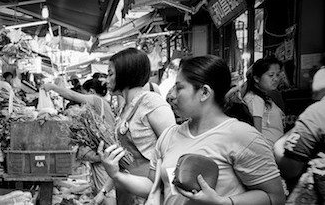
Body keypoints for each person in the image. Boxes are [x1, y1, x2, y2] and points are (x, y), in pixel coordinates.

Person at [100, 55, 285, 205]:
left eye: (179, 88)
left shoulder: (243, 136)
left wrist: (223, 202)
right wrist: (115, 173)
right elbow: (153, 185)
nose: (171, 95)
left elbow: (274, 197)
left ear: (204, 92)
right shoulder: (168, 136)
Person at [274, 41, 325, 204]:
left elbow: (290, 168)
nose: (313, 74)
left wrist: (278, 145)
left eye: (320, 68)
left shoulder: (321, 112)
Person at [105, 48, 176, 204]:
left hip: (148, 192)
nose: (106, 80)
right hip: (126, 189)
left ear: (125, 73)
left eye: (110, 74)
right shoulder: (124, 108)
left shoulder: (151, 102)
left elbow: (174, 150)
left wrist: (173, 197)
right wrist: (104, 191)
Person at [41, 78, 115, 204]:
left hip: (103, 154)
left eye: (84, 94)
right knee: (102, 191)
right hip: (103, 154)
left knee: (105, 193)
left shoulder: (97, 101)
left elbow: (72, 95)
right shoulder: (105, 105)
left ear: (91, 91)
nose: (82, 100)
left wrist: (53, 87)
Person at [243, 57, 285, 145]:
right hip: (268, 151)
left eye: (277, 75)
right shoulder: (255, 99)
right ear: (257, 78)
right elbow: (257, 133)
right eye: (271, 75)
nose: (276, 79)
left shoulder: (263, 97)